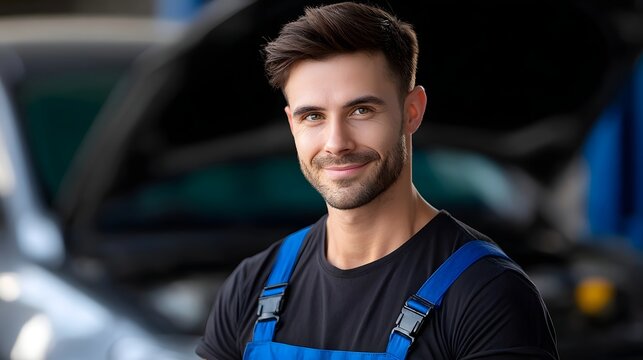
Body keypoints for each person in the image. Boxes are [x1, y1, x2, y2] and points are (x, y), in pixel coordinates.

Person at [196, 2, 559, 359]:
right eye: (313, 116)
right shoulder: (251, 286)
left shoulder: (487, 294)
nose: (336, 143)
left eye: (361, 110)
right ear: (292, 124)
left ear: (411, 111)